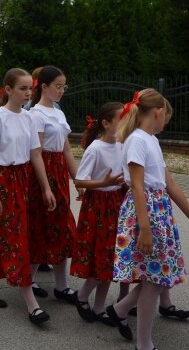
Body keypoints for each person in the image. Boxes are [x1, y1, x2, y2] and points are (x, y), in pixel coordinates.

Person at [104, 89, 189, 350]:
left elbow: (168, 182)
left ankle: (120, 310)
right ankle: (144, 342)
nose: (164, 125)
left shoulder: (151, 140)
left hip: (159, 210)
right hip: (145, 212)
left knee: (157, 277)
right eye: (166, 120)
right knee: (155, 278)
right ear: (158, 111)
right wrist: (144, 228)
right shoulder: (137, 140)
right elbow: (137, 187)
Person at [0, 68, 57, 325]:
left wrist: (46, 188)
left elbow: (35, 155)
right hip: (1, 182)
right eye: (22, 88)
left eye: (29, 88)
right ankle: (32, 305)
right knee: (15, 240)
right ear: (8, 89)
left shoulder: (29, 118)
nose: (27, 93)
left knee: (6, 237)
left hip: (23, 182)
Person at [70, 102, 128, 322]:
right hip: (99, 206)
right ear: (106, 123)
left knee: (111, 257)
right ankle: (83, 295)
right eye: (120, 119)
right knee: (101, 256)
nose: (124, 124)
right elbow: (80, 180)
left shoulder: (122, 144)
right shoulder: (95, 148)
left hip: (117, 201)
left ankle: (99, 308)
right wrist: (103, 182)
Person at [26, 66, 78, 302]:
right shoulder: (35, 114)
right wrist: (45, 185)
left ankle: (61, 285)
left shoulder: (58, 113)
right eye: (57, 86)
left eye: (63, 86)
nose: (61, 90)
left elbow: (66, 148)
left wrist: (78, 180)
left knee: (61, 225)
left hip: (58, 170)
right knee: (42, 224)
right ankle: (30, 278)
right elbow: (36, 152)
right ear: (44, 87)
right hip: (43, 172)